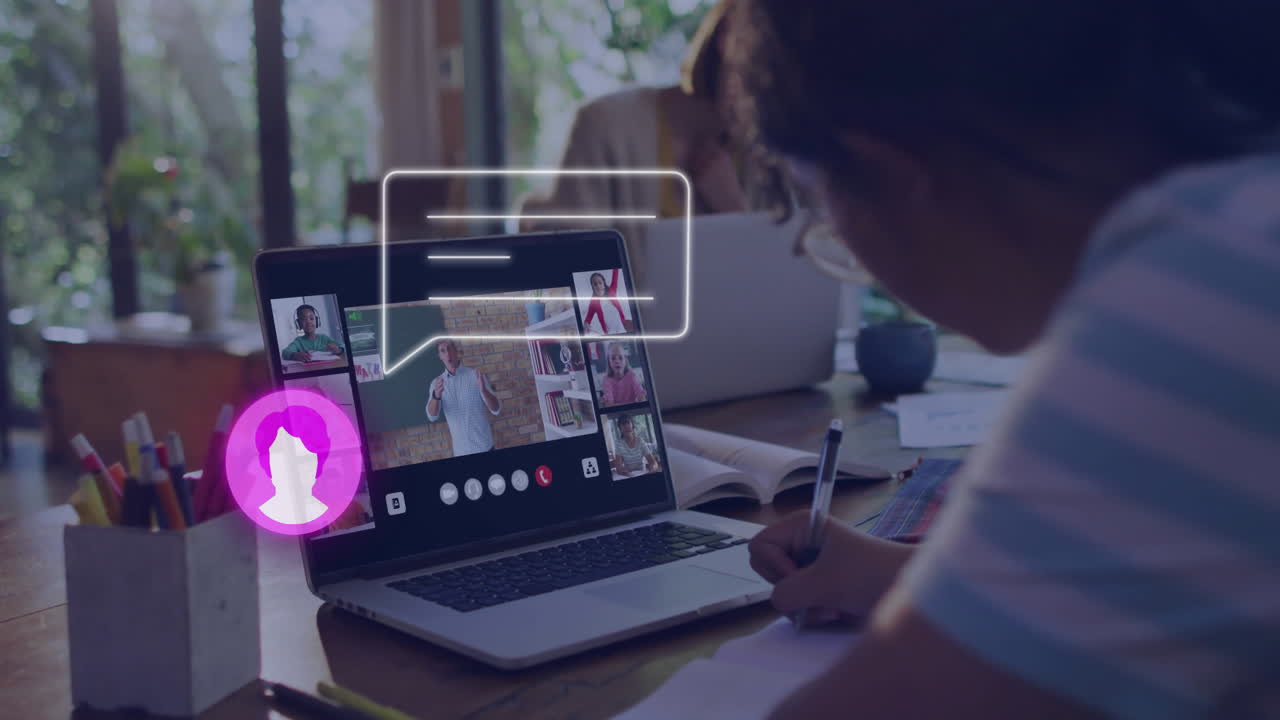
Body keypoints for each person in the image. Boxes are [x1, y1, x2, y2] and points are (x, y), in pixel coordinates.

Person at [727, 1, 1280, 718]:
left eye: (824, 207)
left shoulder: (1207, 289)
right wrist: (922, 583)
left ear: (887, 174)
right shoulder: (1246, 217)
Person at [425, 339, 502, 457]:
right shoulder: (437, 383)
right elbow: (432, 416)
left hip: (485, 447)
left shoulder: (475, 375)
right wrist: (436, 396)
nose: (448, 354)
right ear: (440, 356)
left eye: (450, 349)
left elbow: (496, 409)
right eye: (443, 351)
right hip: (461, 452)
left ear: (456, 351)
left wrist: (484, 391)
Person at [255, 406, 329, 525]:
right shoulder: (260, 521)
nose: (297, 467)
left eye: (307, 454)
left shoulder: (331, 513)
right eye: (284, 454)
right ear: (265, 463)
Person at [583, 269, 634, 335]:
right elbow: (588, 319)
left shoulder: (612, 290)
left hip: (623, 328)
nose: (598, 286)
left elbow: (615, 274)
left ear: (604, 283)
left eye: (600, 283)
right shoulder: (593, 302)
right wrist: (586, 325)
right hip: (610, 333)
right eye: (595, 284)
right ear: (592, 287)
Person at [600, 342, 647, 407]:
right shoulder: (606, 380)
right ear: (609, 362)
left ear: (625, 361)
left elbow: (642, 399)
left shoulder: (632, 376)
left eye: (620, 358)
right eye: (613, 358)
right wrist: (633, 403)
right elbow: (609, 405)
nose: (617, 361)